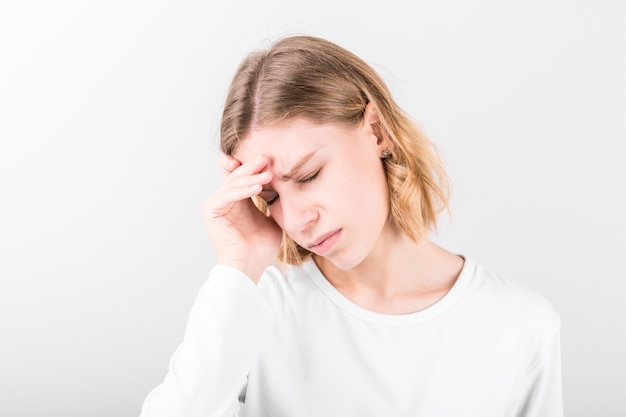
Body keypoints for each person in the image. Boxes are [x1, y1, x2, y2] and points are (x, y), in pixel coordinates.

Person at [140, 35, 563, 416]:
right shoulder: (254, 312)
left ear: (377, 131)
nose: (297, 219)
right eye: (270, 198)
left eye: (308, 176)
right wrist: (238, 266)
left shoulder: (519, 326)